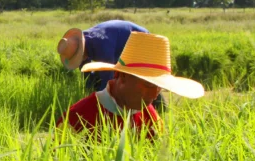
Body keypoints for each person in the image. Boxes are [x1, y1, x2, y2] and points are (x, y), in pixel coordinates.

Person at [57, 32, 204, 141]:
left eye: (159, 87)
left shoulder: (151, 118)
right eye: (148, 84)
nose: (154, 94)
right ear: (121, 76)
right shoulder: (76, 118)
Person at [58, 20, 148, 92]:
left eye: (78, 58)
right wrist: (88, 90)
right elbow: (87, 77)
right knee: (98, 80)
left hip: (142, 41)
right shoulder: (83, 43)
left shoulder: (101, 47)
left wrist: (99, 103)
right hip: (120, 46)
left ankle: (156, 104)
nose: (79, 60)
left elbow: (107, 81)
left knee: (135, 83)